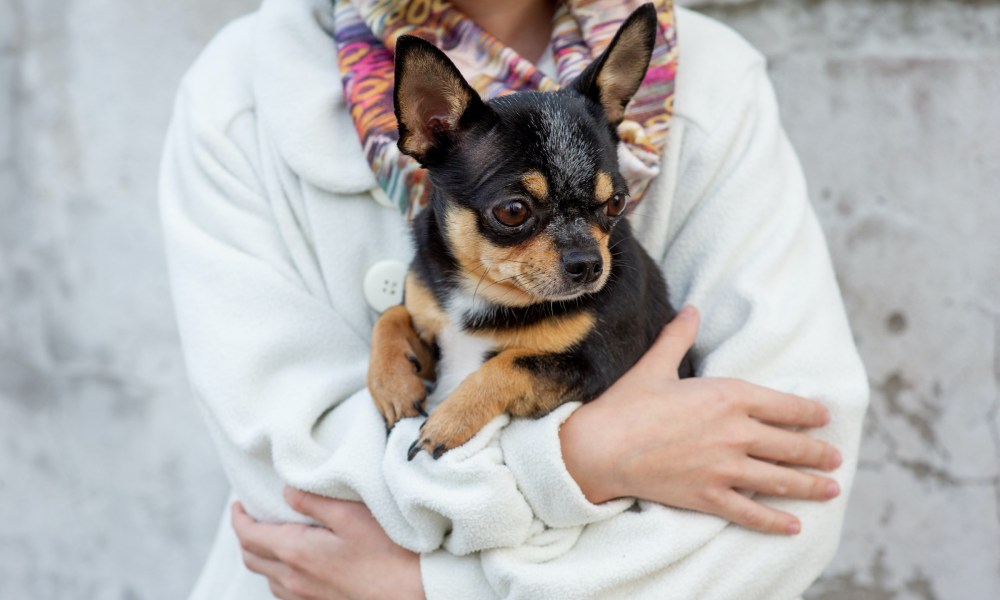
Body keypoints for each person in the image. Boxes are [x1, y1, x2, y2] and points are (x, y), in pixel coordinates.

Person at [159, 0, 868, 598]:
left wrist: (429, 588)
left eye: (606, 210)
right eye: (513, 217)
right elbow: (296, 496)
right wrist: (585, 459)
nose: (585, 256)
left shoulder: (714, 83)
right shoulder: (240, 91)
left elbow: (793, 487)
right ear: (424, 123)